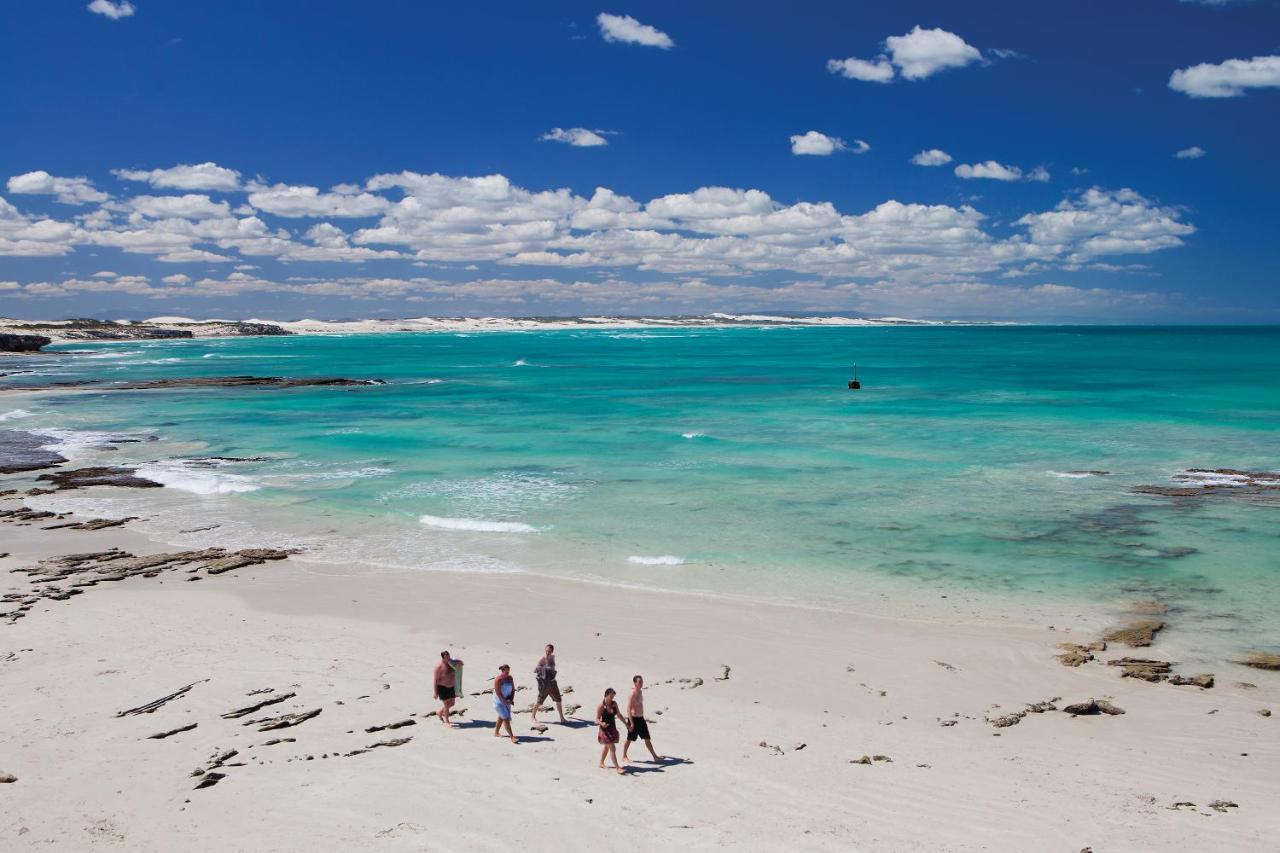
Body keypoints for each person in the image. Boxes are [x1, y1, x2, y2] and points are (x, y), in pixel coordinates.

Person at [623, 674, 664, 763]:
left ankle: (655, 756)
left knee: (647, 738)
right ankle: (624, 755)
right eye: (639, 682)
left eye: (642, 681)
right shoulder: (632, 694)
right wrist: (631, 722)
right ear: (635, 683)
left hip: (641, 719)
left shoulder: (640, 692)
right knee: (630, 738)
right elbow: (628, 709)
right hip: (633, 719)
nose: (641, 683)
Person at [531, 643, 567, 724]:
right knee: (539, 701)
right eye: (546, 651)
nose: (547, 652)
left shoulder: (553, 657)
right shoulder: (542, 659)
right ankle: (533, 716)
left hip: (553, 682)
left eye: (549, 651)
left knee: (558, 700)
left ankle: (562, 718)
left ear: (552, 651)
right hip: (545, 684)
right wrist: (541, 669)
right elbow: (534, 670)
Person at [596, 687, 627, 774]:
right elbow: (597, 719)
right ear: (606, 695)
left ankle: (601, 763)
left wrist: (625, 723)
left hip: (612, 729)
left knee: (607, 747)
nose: (612, 698)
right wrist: (601, 723)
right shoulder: (601, 706)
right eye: (611, 696)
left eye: (613, 696)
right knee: (612, 747)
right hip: (604, 730)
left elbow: (619, 714)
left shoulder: (614, 704)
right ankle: (617, 768)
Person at [433, 650, 464, 727]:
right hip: (442, 687)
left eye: (449, 656)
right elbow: (435, 680)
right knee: (446, 705)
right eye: (446, 657)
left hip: (451, 687)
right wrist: (435, 692)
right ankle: (447, 721)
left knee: (452, 703)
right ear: (443, 658)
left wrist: (460, 663)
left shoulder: (452, 663)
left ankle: (439, 712)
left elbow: (460, 663)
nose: (448, 658)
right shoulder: (439, 667)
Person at [492, 664, 518, 743]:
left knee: (501, 716)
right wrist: (505, 702)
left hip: (507, 701)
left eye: (508, 671)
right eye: (506, 672)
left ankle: (496, 732)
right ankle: (512, 737)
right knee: (505, 718)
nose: (507, 673)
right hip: (498, 702)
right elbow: (498, 693)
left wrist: (511, 699)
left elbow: (513, 690)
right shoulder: (498, 679)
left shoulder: (510, 678)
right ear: (502, 671)